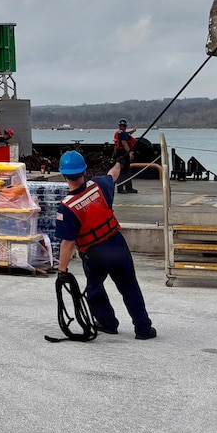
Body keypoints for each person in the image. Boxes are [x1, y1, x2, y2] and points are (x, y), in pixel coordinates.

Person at [56, 149, 155, 339]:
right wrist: (120, 162)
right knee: (129, 287)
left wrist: (62, 271)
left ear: (63, 175)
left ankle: (108, 323)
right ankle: (143, 328)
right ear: (84, 171)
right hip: (116, 245)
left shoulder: (66, 207)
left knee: (94, 289)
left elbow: (67, 243)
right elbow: (113, 174)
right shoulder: (99, 185)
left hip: (94, 255)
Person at [112, 120, 138, 193]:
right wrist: (130, 153)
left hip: (119, 153)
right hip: (123, 153)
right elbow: (124, 143)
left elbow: (127, 134)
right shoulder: (123, 134)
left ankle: (128, 187)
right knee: (124, 170)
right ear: (125, 126)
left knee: (125, 170)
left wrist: (133, 131)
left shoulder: (119, 133)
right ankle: (121, 188)